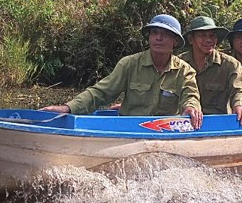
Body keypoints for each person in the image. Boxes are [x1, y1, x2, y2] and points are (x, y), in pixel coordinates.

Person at [40, 14, 204, 128]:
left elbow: (190, 96)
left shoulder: (185, 71)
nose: (158, 38)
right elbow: (100, 92)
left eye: (165, 34)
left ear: (175, 41)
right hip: (128, 128)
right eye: (154, 33)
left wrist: (191, 108)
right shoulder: (129, 64)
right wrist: (68, 108)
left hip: (166, 131)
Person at [179, 16, 242, 125]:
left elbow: (239, 90)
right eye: (202, 35)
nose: (208, 40)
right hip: (184, 123)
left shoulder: (230, 65)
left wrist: (240, 105)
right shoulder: (179, 64)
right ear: (191, 39)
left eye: (212, 36)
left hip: (219, 124)